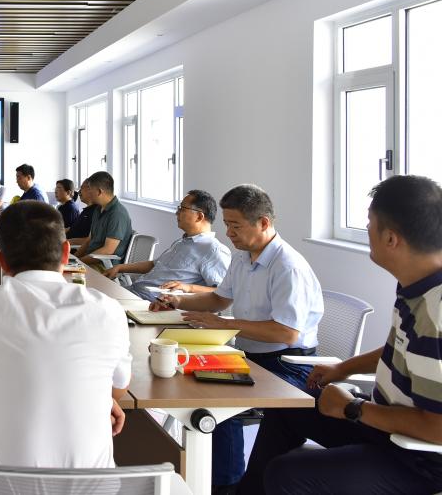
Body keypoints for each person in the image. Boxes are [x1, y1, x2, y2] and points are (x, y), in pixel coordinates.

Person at [237, 175, 442, 495]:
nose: (367, 230)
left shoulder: (435, 312)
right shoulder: (416, 285)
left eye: (370, 223)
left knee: (287, 475)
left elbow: (437, 428)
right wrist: (343, 368)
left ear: (391, 238)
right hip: (386, 423)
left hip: (420, 459)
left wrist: (354, 408)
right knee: (289, 405)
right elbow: (399, 349)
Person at [151, 184, 324, 492]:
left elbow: (286, 332)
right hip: (251, 355)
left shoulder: (287, 266)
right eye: (227, 224)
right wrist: (177, 301)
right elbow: (219, 299)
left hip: (287, 364)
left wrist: (223, 324)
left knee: (218, 399)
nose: (228, 233)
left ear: (263, 223)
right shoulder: (243, 257)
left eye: (235, 225)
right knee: (187, 372)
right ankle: (202, 473)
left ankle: (225, 485)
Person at [0, 201, 131, 468]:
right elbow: (119, 387)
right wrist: (101, 399)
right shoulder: (107, 309)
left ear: (1, 261)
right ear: (66, 253)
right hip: (94, 486)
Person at [102, 190, 230, 300]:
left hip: (152, 303)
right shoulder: (181, 242)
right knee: (94, 295)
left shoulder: (213, 250)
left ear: (199, 217)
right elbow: (154, 265)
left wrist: (188, 287)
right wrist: (120, 267)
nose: (177, 213)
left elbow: (223, 291)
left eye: (182, 209)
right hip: (134, 291)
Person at [75, 171, 134, 267]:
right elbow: (89, 240)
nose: (87, 192)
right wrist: (74, 259)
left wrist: (80, 262)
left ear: (99, 192)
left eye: (89, 189)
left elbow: (108, 250)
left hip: (104, 266)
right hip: (90, 261)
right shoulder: (98, 209)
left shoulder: (117, 214)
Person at [66, 176, 99, 247]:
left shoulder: (96, 212)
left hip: (72, 247)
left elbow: (90, 240)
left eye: (82, 188)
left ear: (90, 190)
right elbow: (74, 228)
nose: (79, 192)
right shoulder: (86, 210)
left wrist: (66, 242)